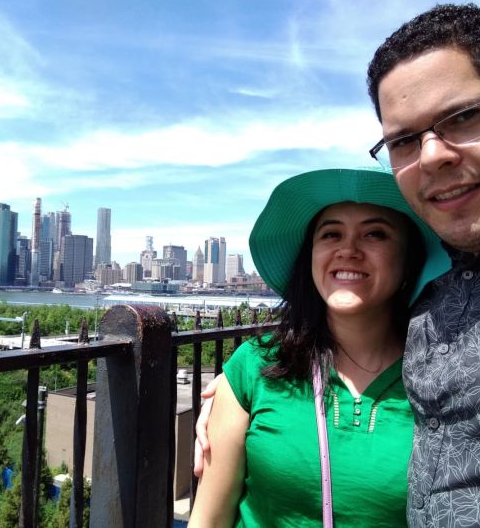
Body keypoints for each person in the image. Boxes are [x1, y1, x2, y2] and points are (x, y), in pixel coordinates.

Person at [197, 3, 480, 527]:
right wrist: (230, 402)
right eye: (404, 140)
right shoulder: (439, 305)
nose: (433, 155)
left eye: (464, 116)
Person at [189, 166, 450, 527]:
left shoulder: (445, 377)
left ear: (409, 260)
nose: (348, 250)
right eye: (331, 234)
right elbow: (208, 520)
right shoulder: (254, 366)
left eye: (375, 233)